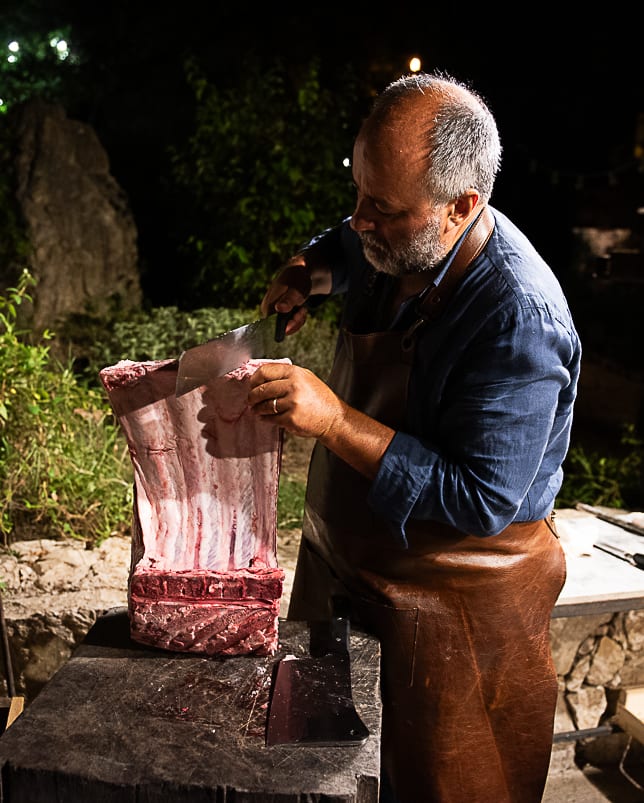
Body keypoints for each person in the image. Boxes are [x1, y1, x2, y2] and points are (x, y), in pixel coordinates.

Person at [247, 71, 581, 803]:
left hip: (453, 604)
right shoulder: (395, 239)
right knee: (317, 774)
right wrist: (313, 267)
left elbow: (481, 495)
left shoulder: (517, 319)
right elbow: (346, 236)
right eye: (358, 193)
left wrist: (334, 420)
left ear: (463, 206)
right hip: (344, 568)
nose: (359, 219)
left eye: (383, 208)